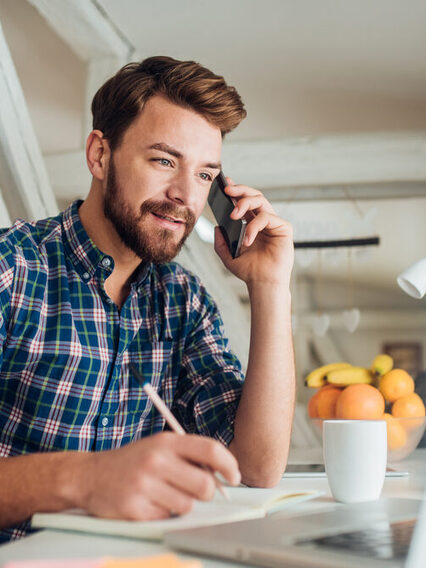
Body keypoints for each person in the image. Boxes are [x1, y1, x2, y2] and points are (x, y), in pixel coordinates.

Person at [0, 56, 295, 542]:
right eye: (164, 160)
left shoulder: (185, 305)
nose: (185, 196)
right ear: (99, 155)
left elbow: (255, 469)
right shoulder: (12, 269)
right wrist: (86, 479)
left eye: (205, 175)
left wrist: (270, 286)